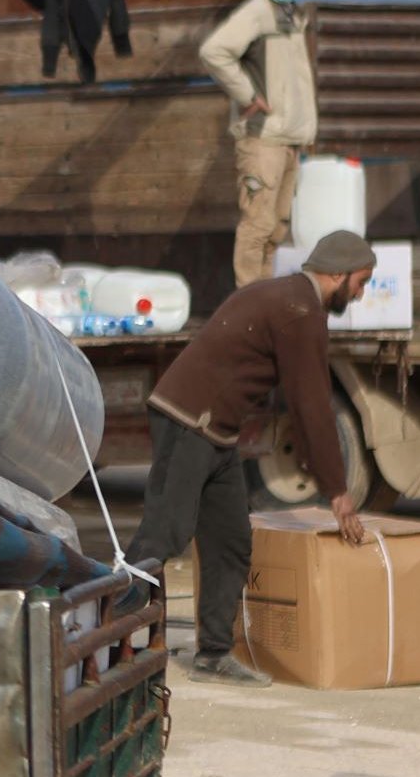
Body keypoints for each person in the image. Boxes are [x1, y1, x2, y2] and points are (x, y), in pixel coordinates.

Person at [125, 230, 377, 686]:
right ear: (338, 274)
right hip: (189, 420)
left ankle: (213, 655)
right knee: (165, 533)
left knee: (230, 541)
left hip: (216, 430)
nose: (360, 293)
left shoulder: (287, 297)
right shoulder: (300, 310)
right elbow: (311, 405)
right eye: (361, 282)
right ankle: (105, 635)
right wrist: (338, 492)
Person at [202, 0, 318, 287]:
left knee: (276, 226)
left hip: (289, 139)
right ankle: (248, 299)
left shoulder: (292, 16)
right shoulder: (258, 12)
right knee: (258, 224)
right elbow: (214, 51)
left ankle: (263, 295)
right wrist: (247, 95)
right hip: (264, 136)